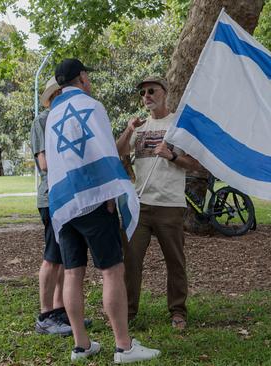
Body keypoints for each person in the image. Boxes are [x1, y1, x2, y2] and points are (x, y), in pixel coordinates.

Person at [45, 59, 160, 363]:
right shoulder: (91, 106)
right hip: (93, 200)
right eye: (88, 76)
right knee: (112, 271)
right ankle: (124, 346)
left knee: (72, 274)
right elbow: (104, 152)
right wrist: (110, 190)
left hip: (63, 203)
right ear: (82, 77)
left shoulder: (51, 114)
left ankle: (81, 345)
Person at [116, 76, 201, 330]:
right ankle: (128, 313)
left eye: (151, 91)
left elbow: (196, 164)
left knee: (175, 261)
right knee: (130, 261)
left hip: (170, 206)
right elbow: (118, 151)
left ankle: (178, 312)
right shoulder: (139, 127)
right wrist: (130, 129)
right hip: (140, 205)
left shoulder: (178, 125)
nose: (146, 96)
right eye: (142, 93)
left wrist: (172, 155)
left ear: (165, 93)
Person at [30, 76, 85, 336]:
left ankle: (60, 311)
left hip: (69, 195)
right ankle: (45, 316)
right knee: (52, 258)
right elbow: (44, 164)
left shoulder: (67, 117)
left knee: (64, 257)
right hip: (52, 196)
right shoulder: (42, 121)